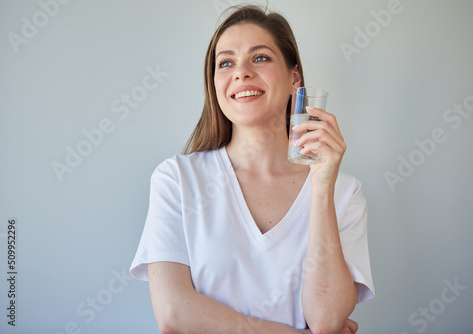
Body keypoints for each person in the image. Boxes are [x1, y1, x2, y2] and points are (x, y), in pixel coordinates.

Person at [130, 5, 374, 334]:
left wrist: (321, 185)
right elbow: (174, 314)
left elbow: (326, 321)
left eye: (260, 57)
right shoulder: (176, 180)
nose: (241, 72)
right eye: (226, 62)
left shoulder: (344, 192)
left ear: (294, 78)